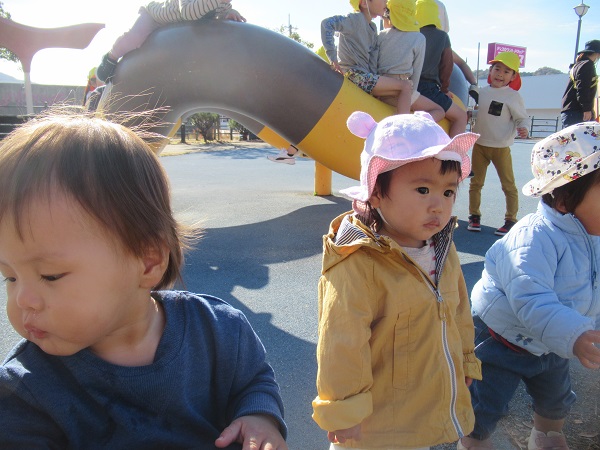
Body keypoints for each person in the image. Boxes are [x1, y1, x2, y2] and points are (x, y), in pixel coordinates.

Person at [0, 111, 288, 449]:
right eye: (10, 277)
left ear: (147, 261)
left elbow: (254, 382)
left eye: (50, 275)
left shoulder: (218, 332)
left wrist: (259, 417)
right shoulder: (25, 391)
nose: (23, 299)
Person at [312, 110, 482, 449]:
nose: (438, 206)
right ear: (375, 193)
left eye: (448, 192)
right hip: (376, 428)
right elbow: (341, 343)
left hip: (428, 413)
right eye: (423, 189)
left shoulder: (442, 248)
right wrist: (344, 410)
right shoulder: (357, 261)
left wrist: (465, 359)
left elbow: (459, 311)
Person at [458, 122, 600, 450]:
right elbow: (532, 299)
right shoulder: (532, 238)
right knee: (485, 403)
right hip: (502, 338)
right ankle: (473, 441)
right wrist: (576, 333)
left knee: (556, 399)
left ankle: (547, 436)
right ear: (564, 199)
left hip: (554, 341)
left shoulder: (592, 234)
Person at [96, 0, 246, 83]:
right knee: (135, 38)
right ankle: (111, 58)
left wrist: (230, 12)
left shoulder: (222, 2)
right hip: (155, 16)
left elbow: (222, 11)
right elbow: (188, 13)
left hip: (176, 29)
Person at [466, 51, 530, 236]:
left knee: (508, 185)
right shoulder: (482, 92)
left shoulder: (513, 96)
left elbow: (522, 118)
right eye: (497, 69)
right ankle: (474, 216)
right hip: (480, 145)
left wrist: (524, 128)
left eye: (506, 71)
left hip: (501, 148)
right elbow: (485, 113)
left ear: (513, 76)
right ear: (490, 71)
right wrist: (471, 114)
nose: (500, 74)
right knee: (475, 183)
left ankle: (511, 219)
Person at [321, 0, 413, 115]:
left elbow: (373, 58)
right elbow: (326, 24)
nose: (386, 2)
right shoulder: (355, 19)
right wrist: (333, 58)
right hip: (353, 74)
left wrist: (377, 80)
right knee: (405, 86)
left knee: (403, 89)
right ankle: (403, 123)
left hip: (365, 76)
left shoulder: (373, 28)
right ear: (364, 3)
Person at [377, 0, 445, 122]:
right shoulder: (419, 38)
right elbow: (416, 75)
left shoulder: (381, 35)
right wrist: (410, 94)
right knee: (439, 111)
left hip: (381, 87)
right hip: (401, 90)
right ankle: (414, 125)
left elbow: (374, 64)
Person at [415, 0, 468, 137]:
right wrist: (444, 89)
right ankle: (452, 150)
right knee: (461, 117)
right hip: (429, 89)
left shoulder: (412, 34)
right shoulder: (442, 37)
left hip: (411, 86)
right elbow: (446, 67)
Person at [561, 39, 600, 129]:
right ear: (597, 53)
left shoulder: (577, 65)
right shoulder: (587, 65)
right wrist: (587, 109)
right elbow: (583, 88)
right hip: (578, 112)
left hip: (570, 111)